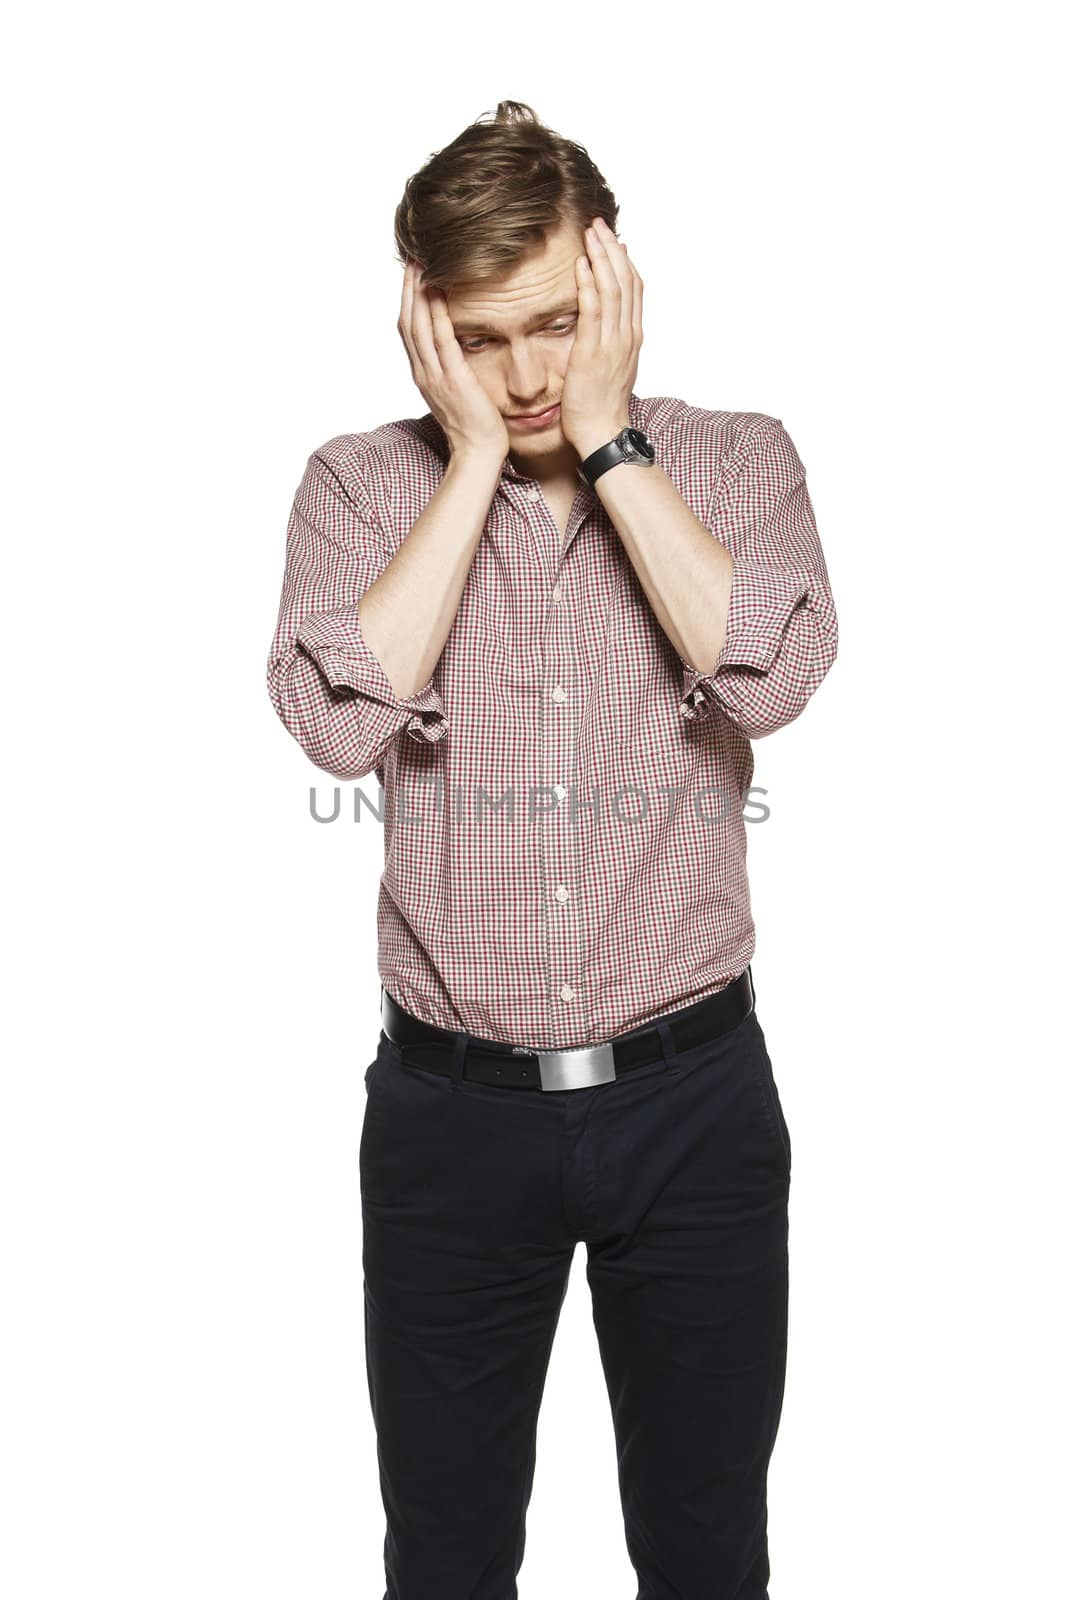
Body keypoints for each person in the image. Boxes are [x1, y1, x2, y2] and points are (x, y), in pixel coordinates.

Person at [266, 99, 839, 1600]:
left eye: (556, 325)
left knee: (707, 1554)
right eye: (481, 337)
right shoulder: (354, 488)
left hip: (694, 1107)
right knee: (447, 1561)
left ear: (615, 286)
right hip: (454, 1127)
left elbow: (769, 677)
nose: (525, 374)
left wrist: (610, 435)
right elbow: (337, 730)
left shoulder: (739, 463)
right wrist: (464, 468)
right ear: (426, 329)